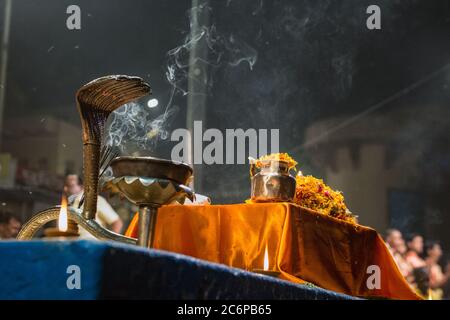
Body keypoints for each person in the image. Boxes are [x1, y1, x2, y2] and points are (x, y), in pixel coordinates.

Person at [64, 173, 123, 239]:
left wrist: (109, 243)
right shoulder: (68, 204)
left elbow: (117, 223)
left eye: (70, 186)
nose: (65, 189)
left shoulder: (95, 200)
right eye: (65, 185)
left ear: (81, 186)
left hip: (93, 245)